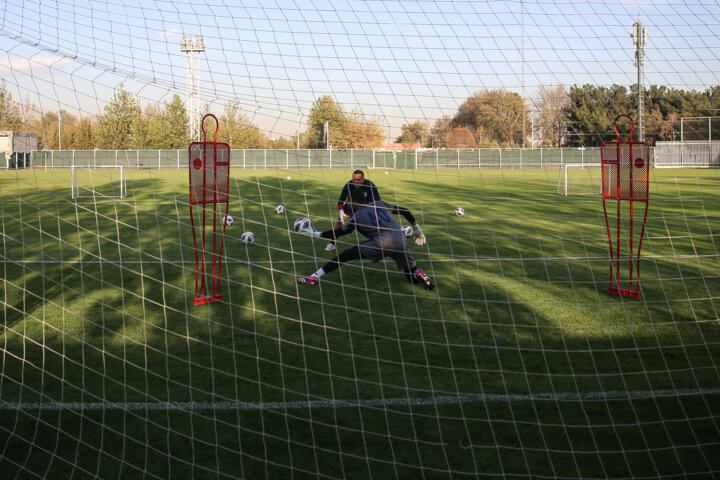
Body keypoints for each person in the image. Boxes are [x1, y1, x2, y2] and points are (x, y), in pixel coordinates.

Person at [296, 188, 435, 290]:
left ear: (355, 203)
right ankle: (418, 273)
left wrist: (313, 234)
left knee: (345, 255)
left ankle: (313, 277)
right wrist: (418, 230)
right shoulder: (380, 204)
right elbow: (405, 211)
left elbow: (337, 234)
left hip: (382, 243)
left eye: (349, 201)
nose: (347, 204)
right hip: (401, 240)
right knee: (410, 275)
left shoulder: (356, 217)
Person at [325, 169, 381, 252]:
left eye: (358, 180)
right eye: (354, 179)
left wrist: (376, 211)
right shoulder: (348, 185)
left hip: (365, 207)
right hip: (351, 207)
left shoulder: (370, 185)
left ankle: (380, 242)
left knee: (370, 226)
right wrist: (341, 211)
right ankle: (332, 243)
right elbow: (341, 200)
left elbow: (378, 200)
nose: (356, 182)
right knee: (339, 222)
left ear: (363, 179)